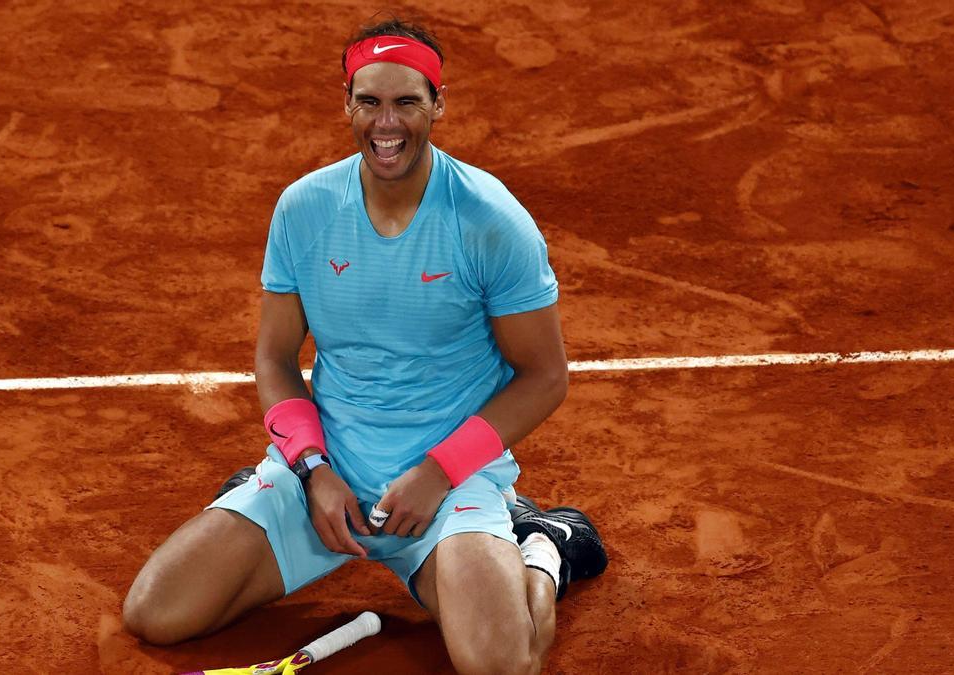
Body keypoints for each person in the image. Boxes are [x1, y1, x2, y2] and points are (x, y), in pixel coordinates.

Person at [123, 17, 607, 675]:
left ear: (437, 105)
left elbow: (545, 375)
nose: (388, 122)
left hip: (447, 487)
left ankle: (545, 545)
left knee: (501, 664)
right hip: (332, 484)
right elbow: (274, 357)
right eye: (370, 101)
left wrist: (437, 471)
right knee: (155, 611)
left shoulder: (490, 221)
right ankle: (272, 494)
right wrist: (312, 467)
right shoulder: (304, 210)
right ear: (346, 105)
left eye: (407, 101)